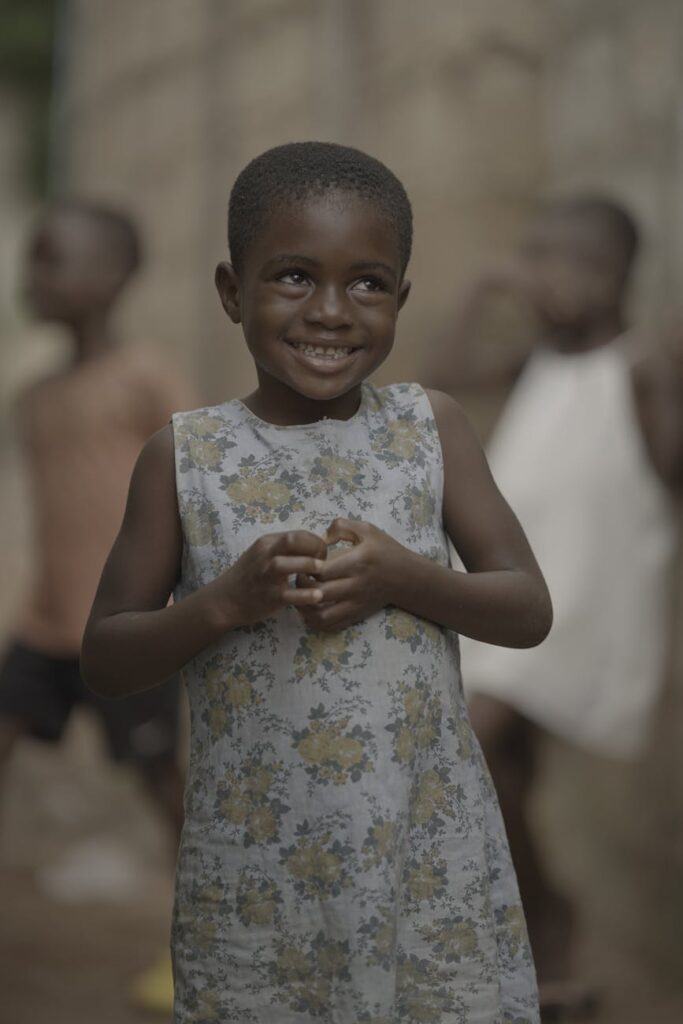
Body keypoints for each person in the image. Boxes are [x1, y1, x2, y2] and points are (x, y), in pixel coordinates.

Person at [81, 142, 552, 1024]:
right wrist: (223, 603)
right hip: (259, 873)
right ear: (231, 291)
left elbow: (527, 608)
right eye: (293, 277)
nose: (331, 312)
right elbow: (106, 656)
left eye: (368, 284)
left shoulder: (429, 427)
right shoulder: (185, 456)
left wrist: (406, 577)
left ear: (401, 299)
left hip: (424, 854)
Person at [423, 196, 683, 1013]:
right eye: (535, 259)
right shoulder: (538, 358)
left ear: (615, 277)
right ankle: (540, 938)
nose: (549, 279)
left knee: (470, 738)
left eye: (571, 263)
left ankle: (538, 923)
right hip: (513, 602)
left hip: (581, 611)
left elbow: (670, 475)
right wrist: (482, 287)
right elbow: (440, 379)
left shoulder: (640, 365)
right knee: (499, 773)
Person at [0, 200, 196, 1011]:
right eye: (29, 260)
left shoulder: (147, 377)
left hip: (129, 631)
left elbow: (197, 484)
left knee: (164, 786)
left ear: (111, 276)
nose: (30, 278)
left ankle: (205, 938)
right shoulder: (34, 394)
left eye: (49, 260)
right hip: (47, 628)